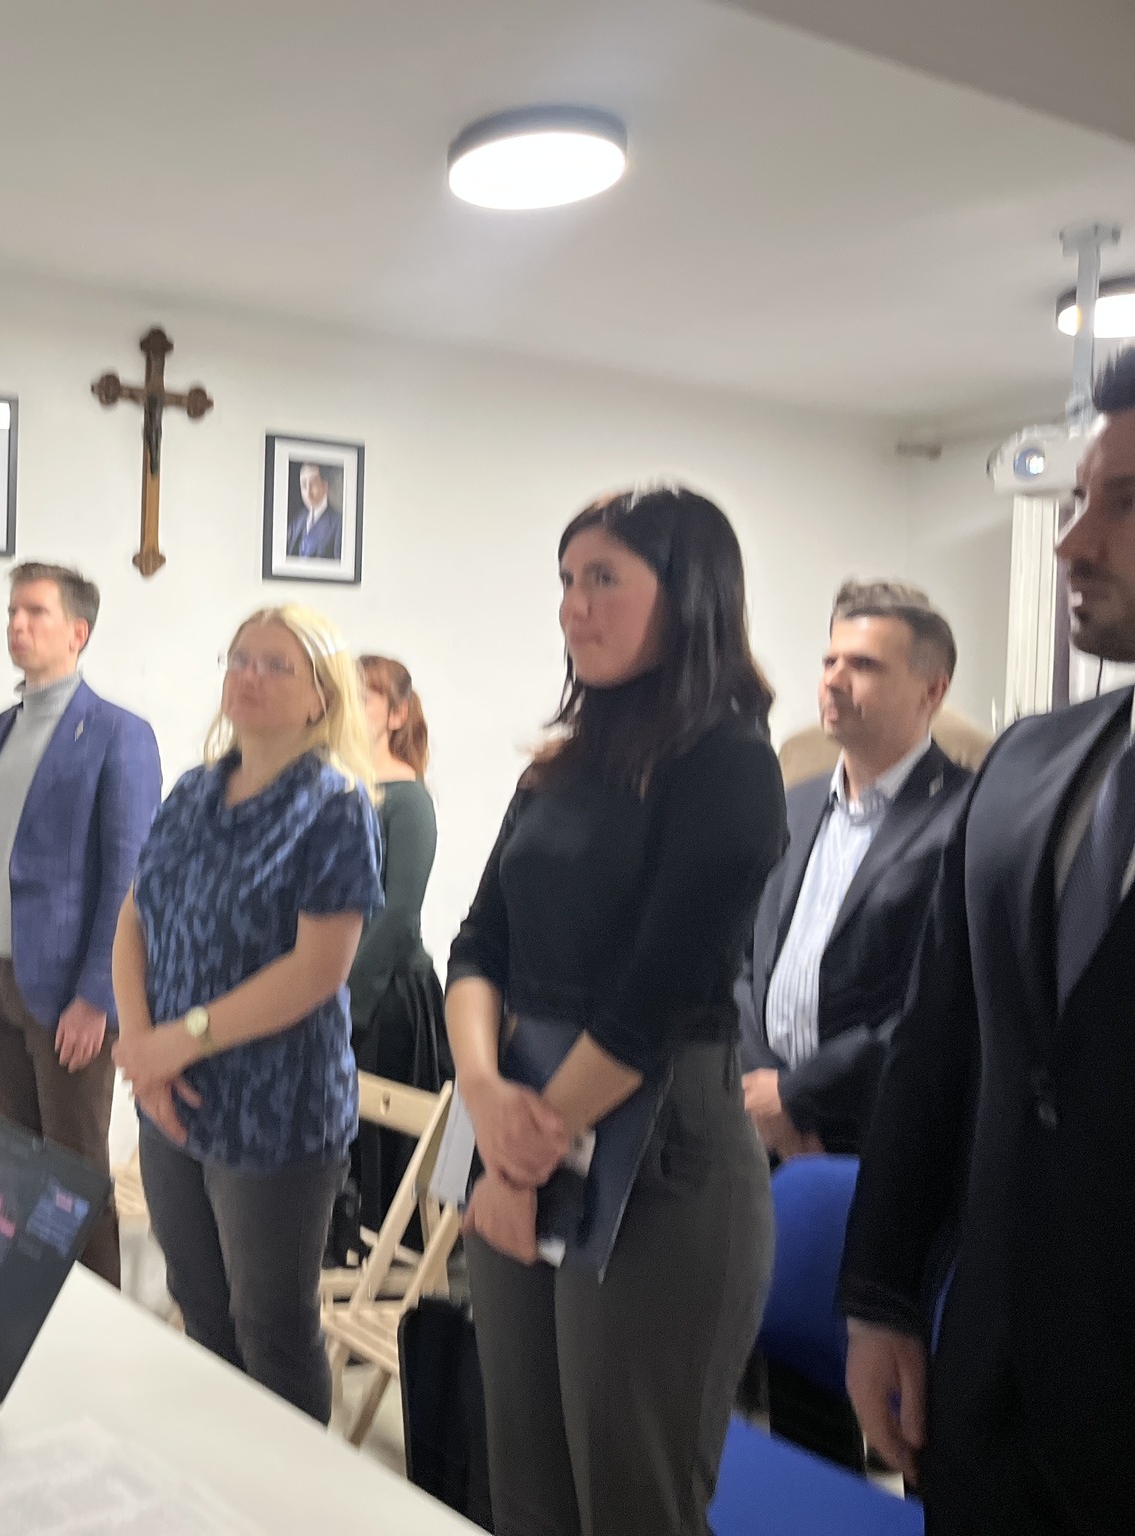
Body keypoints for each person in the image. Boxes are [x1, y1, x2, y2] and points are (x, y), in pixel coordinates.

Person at [446, 486, 787, 1535]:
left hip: (659, 1152)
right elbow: (478, 945)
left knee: (631, 1498)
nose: (572, 605)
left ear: (689, 596)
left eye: (603, 578)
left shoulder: (729, 764)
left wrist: (518, 1155)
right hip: (517, 1119)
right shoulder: (557, 768)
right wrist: (481, 1093)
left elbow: (655, 999)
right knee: (525, 1487)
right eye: (565, 579)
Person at [839, 351, 1135, 1533]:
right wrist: (878, 1294)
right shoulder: (1026, 766)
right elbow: (938, 1043)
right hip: (987, 1401)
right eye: (1076, 500)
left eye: (1121, 504)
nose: (1070, 543)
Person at [111, 606, 383, 1422]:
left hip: (275, 1113)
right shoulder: (194, 791)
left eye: (274, 665)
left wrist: (179, 1041)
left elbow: (317, 970)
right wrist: (142, 1049)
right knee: (201, 1308)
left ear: (320, 697)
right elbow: (135, 918)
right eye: (239, 659)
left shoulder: (335, 807)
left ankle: (291, 1489)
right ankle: (220, 1476)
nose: (248, 677)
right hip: (172, 1101)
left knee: (271, 1329)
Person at [0, 562, 161, 1287]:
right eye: (12, 611)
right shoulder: (1, 731)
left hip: (71, 990)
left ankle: (97, 1320)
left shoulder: (118, 735)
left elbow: (129, 876)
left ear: (78, 632)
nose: (17, 624)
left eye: (35, 612)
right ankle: (26, 1309)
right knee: (16, 1167)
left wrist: (98, 997)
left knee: (73, 1175)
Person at [738, 580, 972, 1158]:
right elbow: (741, 961)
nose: (834, 680)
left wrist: (797, 1096)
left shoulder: (968, 816)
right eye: (829, 661)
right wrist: (764, 1093)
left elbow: (939, 1003)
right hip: (754, 1126)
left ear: (932, 691)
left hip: (873, 1137)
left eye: (863, 665)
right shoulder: (790, 804)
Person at [347, 655, 451, 1236]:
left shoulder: (409, 801)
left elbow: (397, 915)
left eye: (364, 698)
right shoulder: (338, 787)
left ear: (396, 714)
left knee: (375, 1159)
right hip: (331, 985)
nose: (349, 707)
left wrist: (343, 1003)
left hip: (382, 997)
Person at [287, 463, 344, 560]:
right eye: (304, 485)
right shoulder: (298, 521)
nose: (308, 492)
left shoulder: (338, 522)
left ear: (325, 486)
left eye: (313, 484)